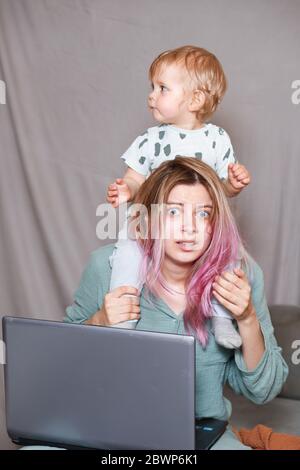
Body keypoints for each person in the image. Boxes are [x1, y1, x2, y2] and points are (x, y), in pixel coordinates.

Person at [65, 157, 288, 450]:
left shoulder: (242, 275)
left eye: (203, 214)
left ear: (215, 223)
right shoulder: (107, 267)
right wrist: (99, 322)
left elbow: (263, 391)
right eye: (173, 211)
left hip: (200, 437)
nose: (189, 228)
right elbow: (65, 369)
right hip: (109, 426)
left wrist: (246, 319)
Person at [106, 45, 251, 349]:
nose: (151, 95)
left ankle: (222, 317)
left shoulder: (216, 139)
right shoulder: (150, 139)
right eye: (152, 87)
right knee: (127, 253)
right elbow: (135, 177)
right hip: (151, 223)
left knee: (227, 258)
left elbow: (219, 187)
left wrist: (233, 185)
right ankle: (124, 314)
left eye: (162, 88)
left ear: (195, 99)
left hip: (198, 228)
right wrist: (127, 189)